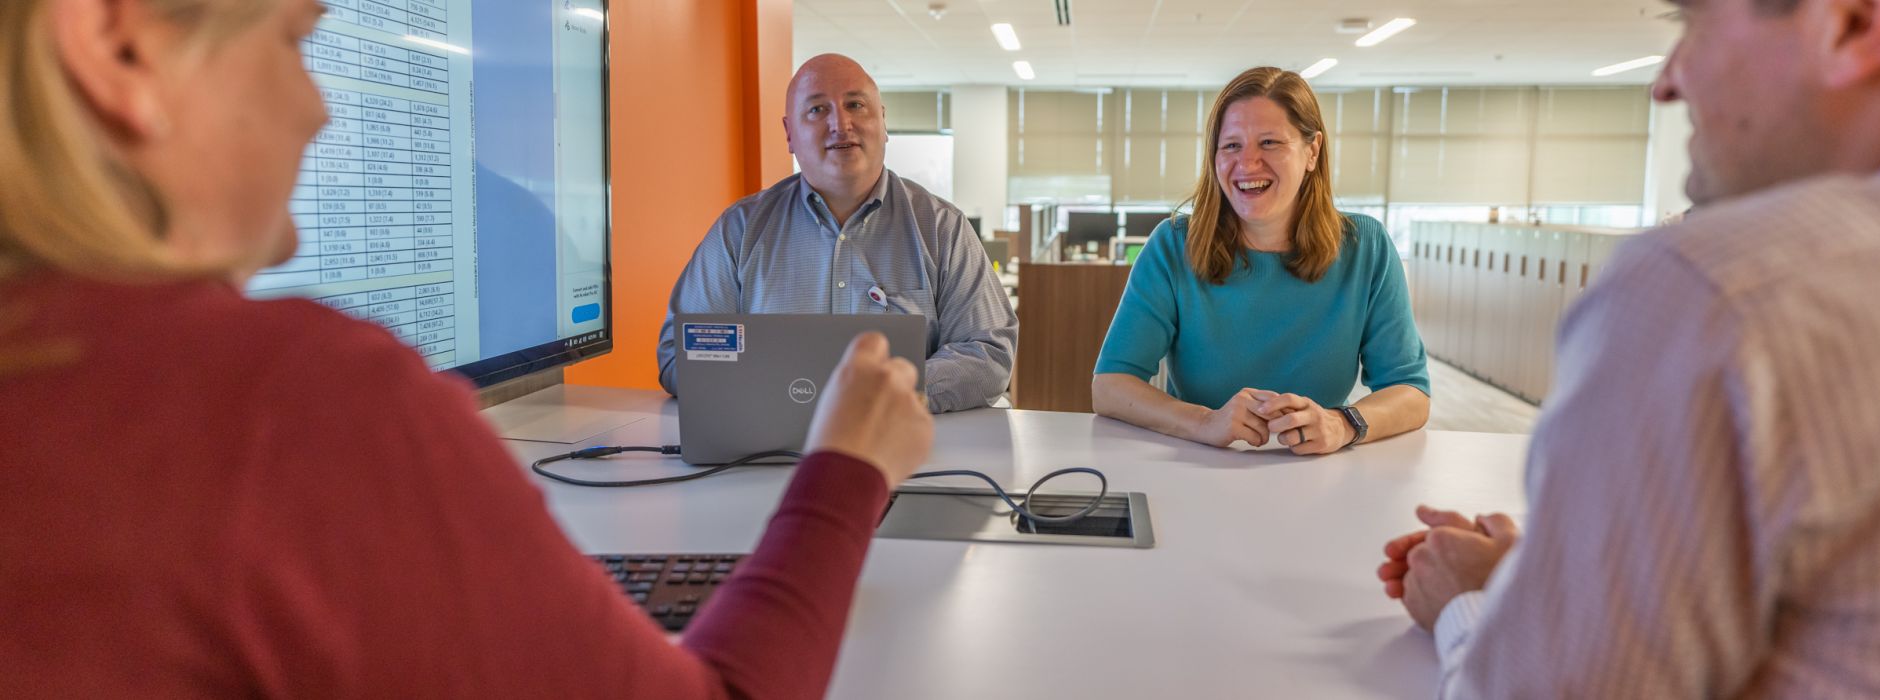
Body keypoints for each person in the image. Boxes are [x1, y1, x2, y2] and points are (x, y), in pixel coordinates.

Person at [0, 0, 935, 696]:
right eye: (291, 42)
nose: (319, 111)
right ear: (116, 45)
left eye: (856, 106)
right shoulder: (285, 402)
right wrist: (847, 470)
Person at [1375, 0, 1880, 694]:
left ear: (1856, 20)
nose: (1666, 82)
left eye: (1694, 24)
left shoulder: (1722, 288)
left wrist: (1468, 602)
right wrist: (1585, 591)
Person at [1090, 67, 1430, 455]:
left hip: (1319, 470)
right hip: (1201, 465)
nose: (1248, 163)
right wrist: (1205, 422)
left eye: (1269, 142)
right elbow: (1110, 386)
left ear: (1312, 151)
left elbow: (1410, 391)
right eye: (1231, 145)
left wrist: (1341, 424)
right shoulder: (1173, 245)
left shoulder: (1365, 247)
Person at [656, 54, 1015, 414]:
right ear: (789, 134)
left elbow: (988, 353)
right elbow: (678, 356)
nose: (840, 124)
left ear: (883, 122)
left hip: (902, 438)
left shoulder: (942, 228)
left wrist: (891, 391)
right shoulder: (739, 231)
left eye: (855, 105)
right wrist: (778, 388)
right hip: (766, 445)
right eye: (817, 110)